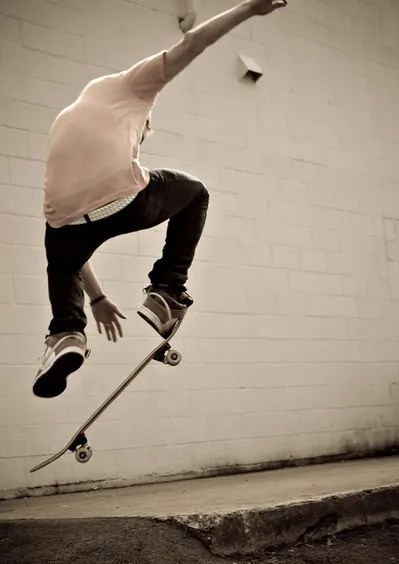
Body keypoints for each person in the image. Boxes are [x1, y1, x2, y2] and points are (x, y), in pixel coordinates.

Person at [33, 0, 287, 398]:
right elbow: (194, 42)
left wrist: (96, 297)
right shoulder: (134, 87)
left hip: (66, 219)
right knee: (195, 192)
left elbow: (76, 244)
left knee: (60, 254)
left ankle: (67, 334)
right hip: (125, 198)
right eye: (145, 132)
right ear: (145, 114)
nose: (144, 136)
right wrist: (249, 9)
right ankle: (166, 292)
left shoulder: (67, 119)